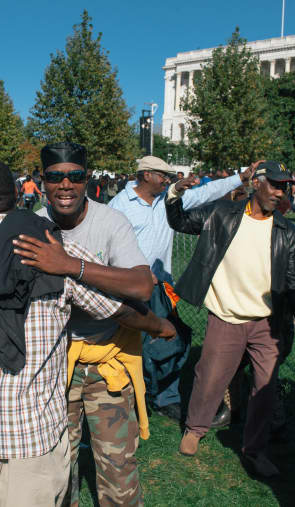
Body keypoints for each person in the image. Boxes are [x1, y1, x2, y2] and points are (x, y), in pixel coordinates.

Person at [0, 158, 174, 506]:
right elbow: (117, 309)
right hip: (32, 435)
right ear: (17, 195)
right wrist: (160, 325)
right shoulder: (51, 253)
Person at [166, 161, 295, 478]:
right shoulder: (222, 214)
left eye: (284, 186)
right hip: (226, 317)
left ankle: (255, 450)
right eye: (274, 184)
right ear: (256, 183)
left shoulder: (287, 230)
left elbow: (294, 280)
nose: (279, 191)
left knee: (265, 389)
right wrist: (175, 192)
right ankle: (195, 428)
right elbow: (179, 221)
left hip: (268, 324)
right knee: (210, 378)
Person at [108, 156, 255, 420]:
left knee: (171, 340)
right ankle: (137, 397)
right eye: (162, 175)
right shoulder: (119, 206)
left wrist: (241, 178)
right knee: (136, 346)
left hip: (163, 288)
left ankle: (166, 397)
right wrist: (132, 273)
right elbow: (107, 245)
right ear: (145, 175)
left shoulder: (168, 200)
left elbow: (206, 192)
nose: (167, 179)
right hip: (130, 288)